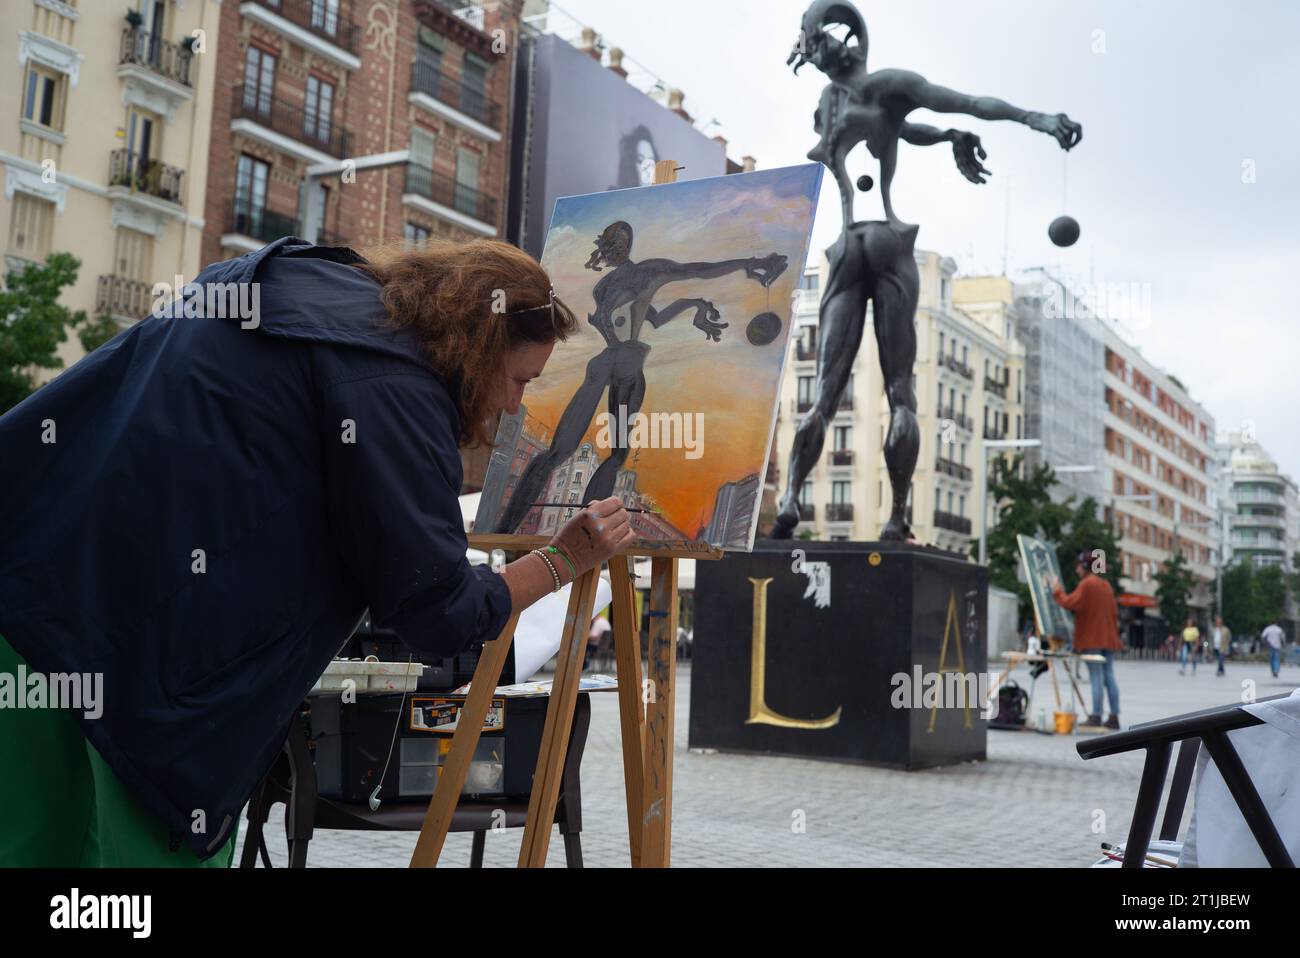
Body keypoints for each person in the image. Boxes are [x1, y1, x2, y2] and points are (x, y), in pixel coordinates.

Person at [0, 237, 636, 867]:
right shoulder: (391, 385)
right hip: (128, 683)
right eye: (518, 379)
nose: (511, 405)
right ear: (477, 347)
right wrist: (562, 559)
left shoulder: (283, 285)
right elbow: (438, 610)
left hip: (27, 601)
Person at [1051, 552, 1122, 729]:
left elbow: (1070, 602)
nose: (1076, 569)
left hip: (1092, 639)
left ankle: (1096, 715)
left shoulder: (1087, 584)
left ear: (1084, 567)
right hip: (1108, 638)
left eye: (1078, 566)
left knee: (1096, 677)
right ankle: (1114, 716)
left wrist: (1057, 591)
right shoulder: (1106, 585)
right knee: (1109, 676)